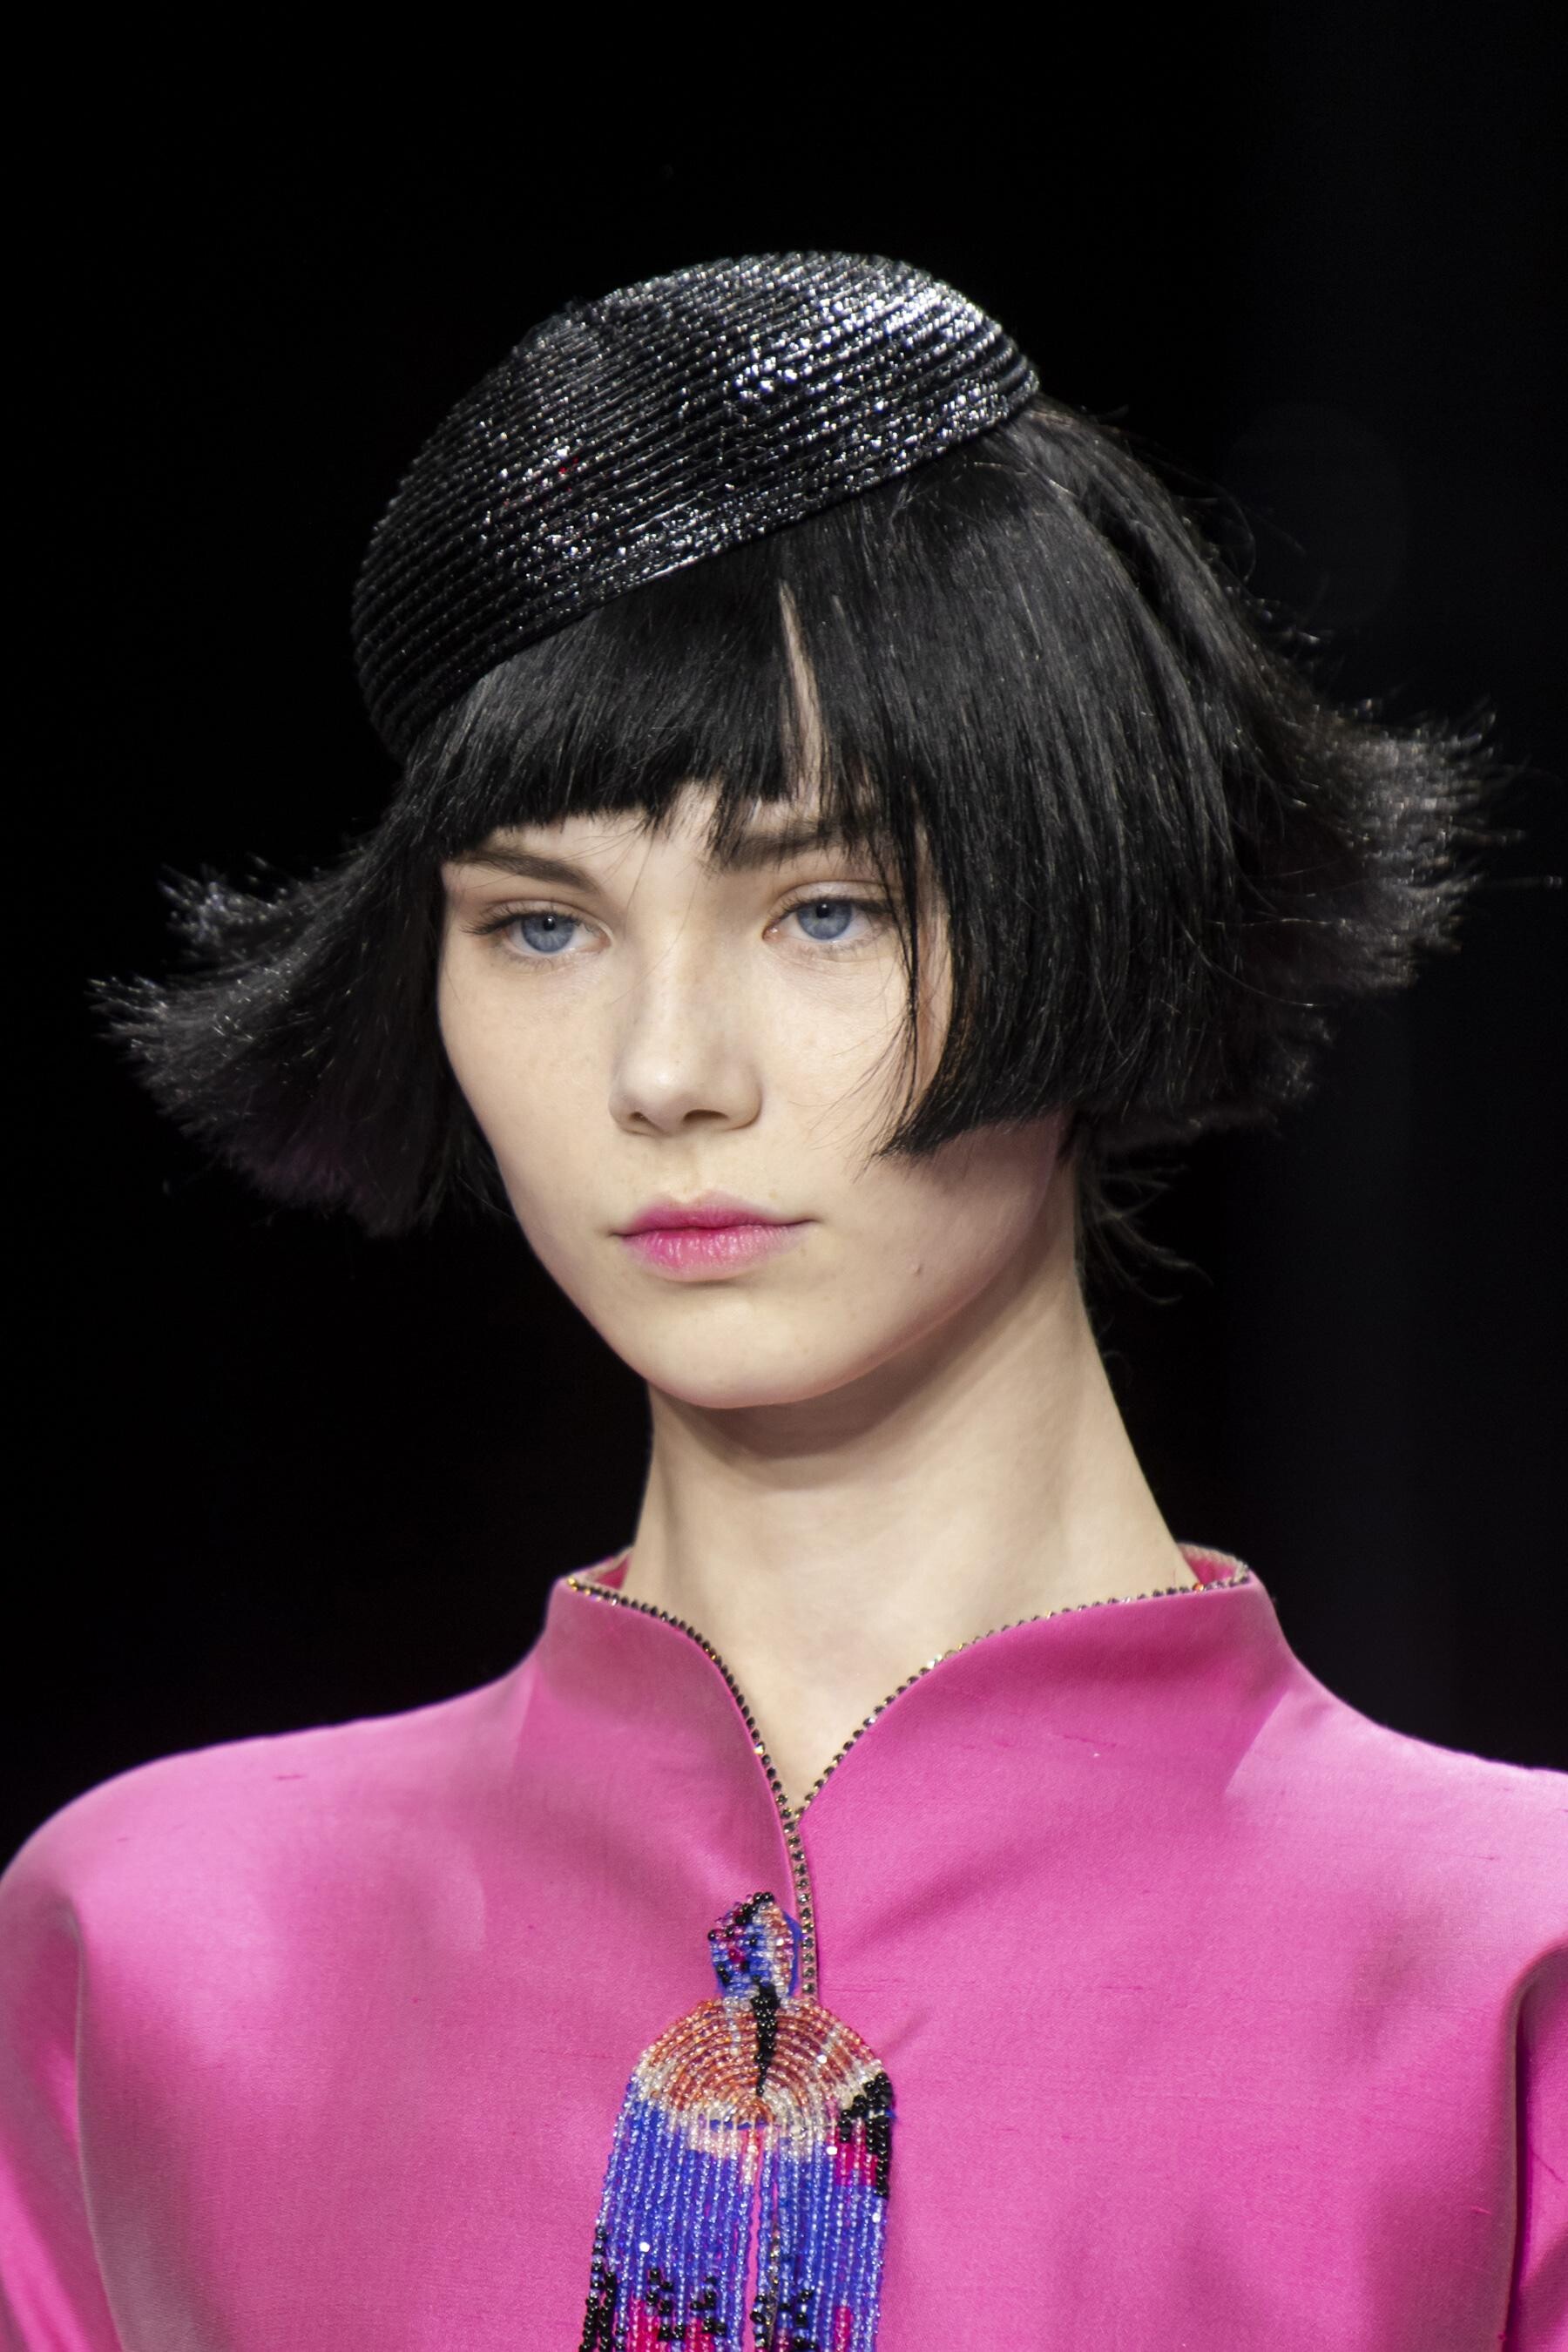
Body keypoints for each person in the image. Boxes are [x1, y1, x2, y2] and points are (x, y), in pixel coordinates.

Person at [1, 253, 1561, 2350]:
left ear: (1100, 902)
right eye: (540, 926)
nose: (665, 1073)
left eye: (824, 908)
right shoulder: (158, 1961)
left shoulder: (1503, 1984)